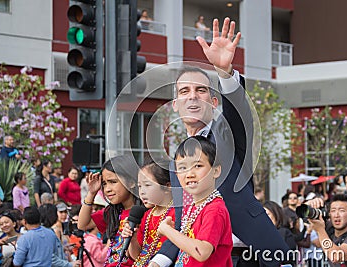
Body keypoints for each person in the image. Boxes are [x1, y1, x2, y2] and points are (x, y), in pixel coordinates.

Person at [150, 17, 288, 267]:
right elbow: (184, 222)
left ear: (214, 103)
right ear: (175, 105)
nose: (192, 97)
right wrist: (158, 262)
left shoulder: (229, 136)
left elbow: (239, 112)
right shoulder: (177, 165)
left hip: (250, 257)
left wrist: (224, 71)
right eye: (184, 92)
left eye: (201, 90)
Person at [157, 136, 232, 266]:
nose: (189, 174)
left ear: (216, 170)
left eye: (197, 165)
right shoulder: (192, 207)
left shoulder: (215, 210)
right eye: (182, 168)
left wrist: (167, 230)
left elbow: (201, 252)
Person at [78, 155, 139, 267]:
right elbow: (83, 224)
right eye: (104, 183)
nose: (107, 189)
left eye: (113, 182)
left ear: (131, 182)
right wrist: (91, 194)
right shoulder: (113, 212)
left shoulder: (144, 213)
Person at [122, 159, 174, 266]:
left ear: (167, 186)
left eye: (147, 185)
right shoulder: (147, 215)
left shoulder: (176, 214)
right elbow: (138, 257)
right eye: (140, 186)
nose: (142, 192)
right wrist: (133, 238)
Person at [309, 194, 347, 267]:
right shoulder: (330, 229)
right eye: (333, 211)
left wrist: (320, 230)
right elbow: (302, 213)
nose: (336, 215)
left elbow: (336, 257)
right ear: (329, 214)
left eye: (341, 211)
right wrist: (310, 203)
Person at [262, 201, 297, 266]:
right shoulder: (261, 234)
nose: (264, 218)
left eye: (267, 214)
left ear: (275, 214)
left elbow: (289, 257)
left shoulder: (284, 233)